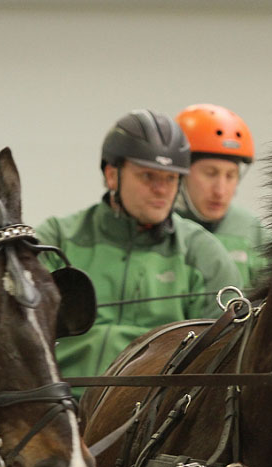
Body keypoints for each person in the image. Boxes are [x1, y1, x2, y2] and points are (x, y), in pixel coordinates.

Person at [36, 109, 241, 388]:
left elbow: (220, 359)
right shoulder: (56, 238)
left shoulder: (204, 253)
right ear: (112, 176)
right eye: (148, 176)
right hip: (60, 406)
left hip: (154, 419)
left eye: (170, 178)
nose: (162, 189)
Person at [174, 104, 270, 289]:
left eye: (230, 176)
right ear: (181, 173)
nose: (220, 190)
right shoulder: (162, 229)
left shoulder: (253, 232)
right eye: (210, 173)